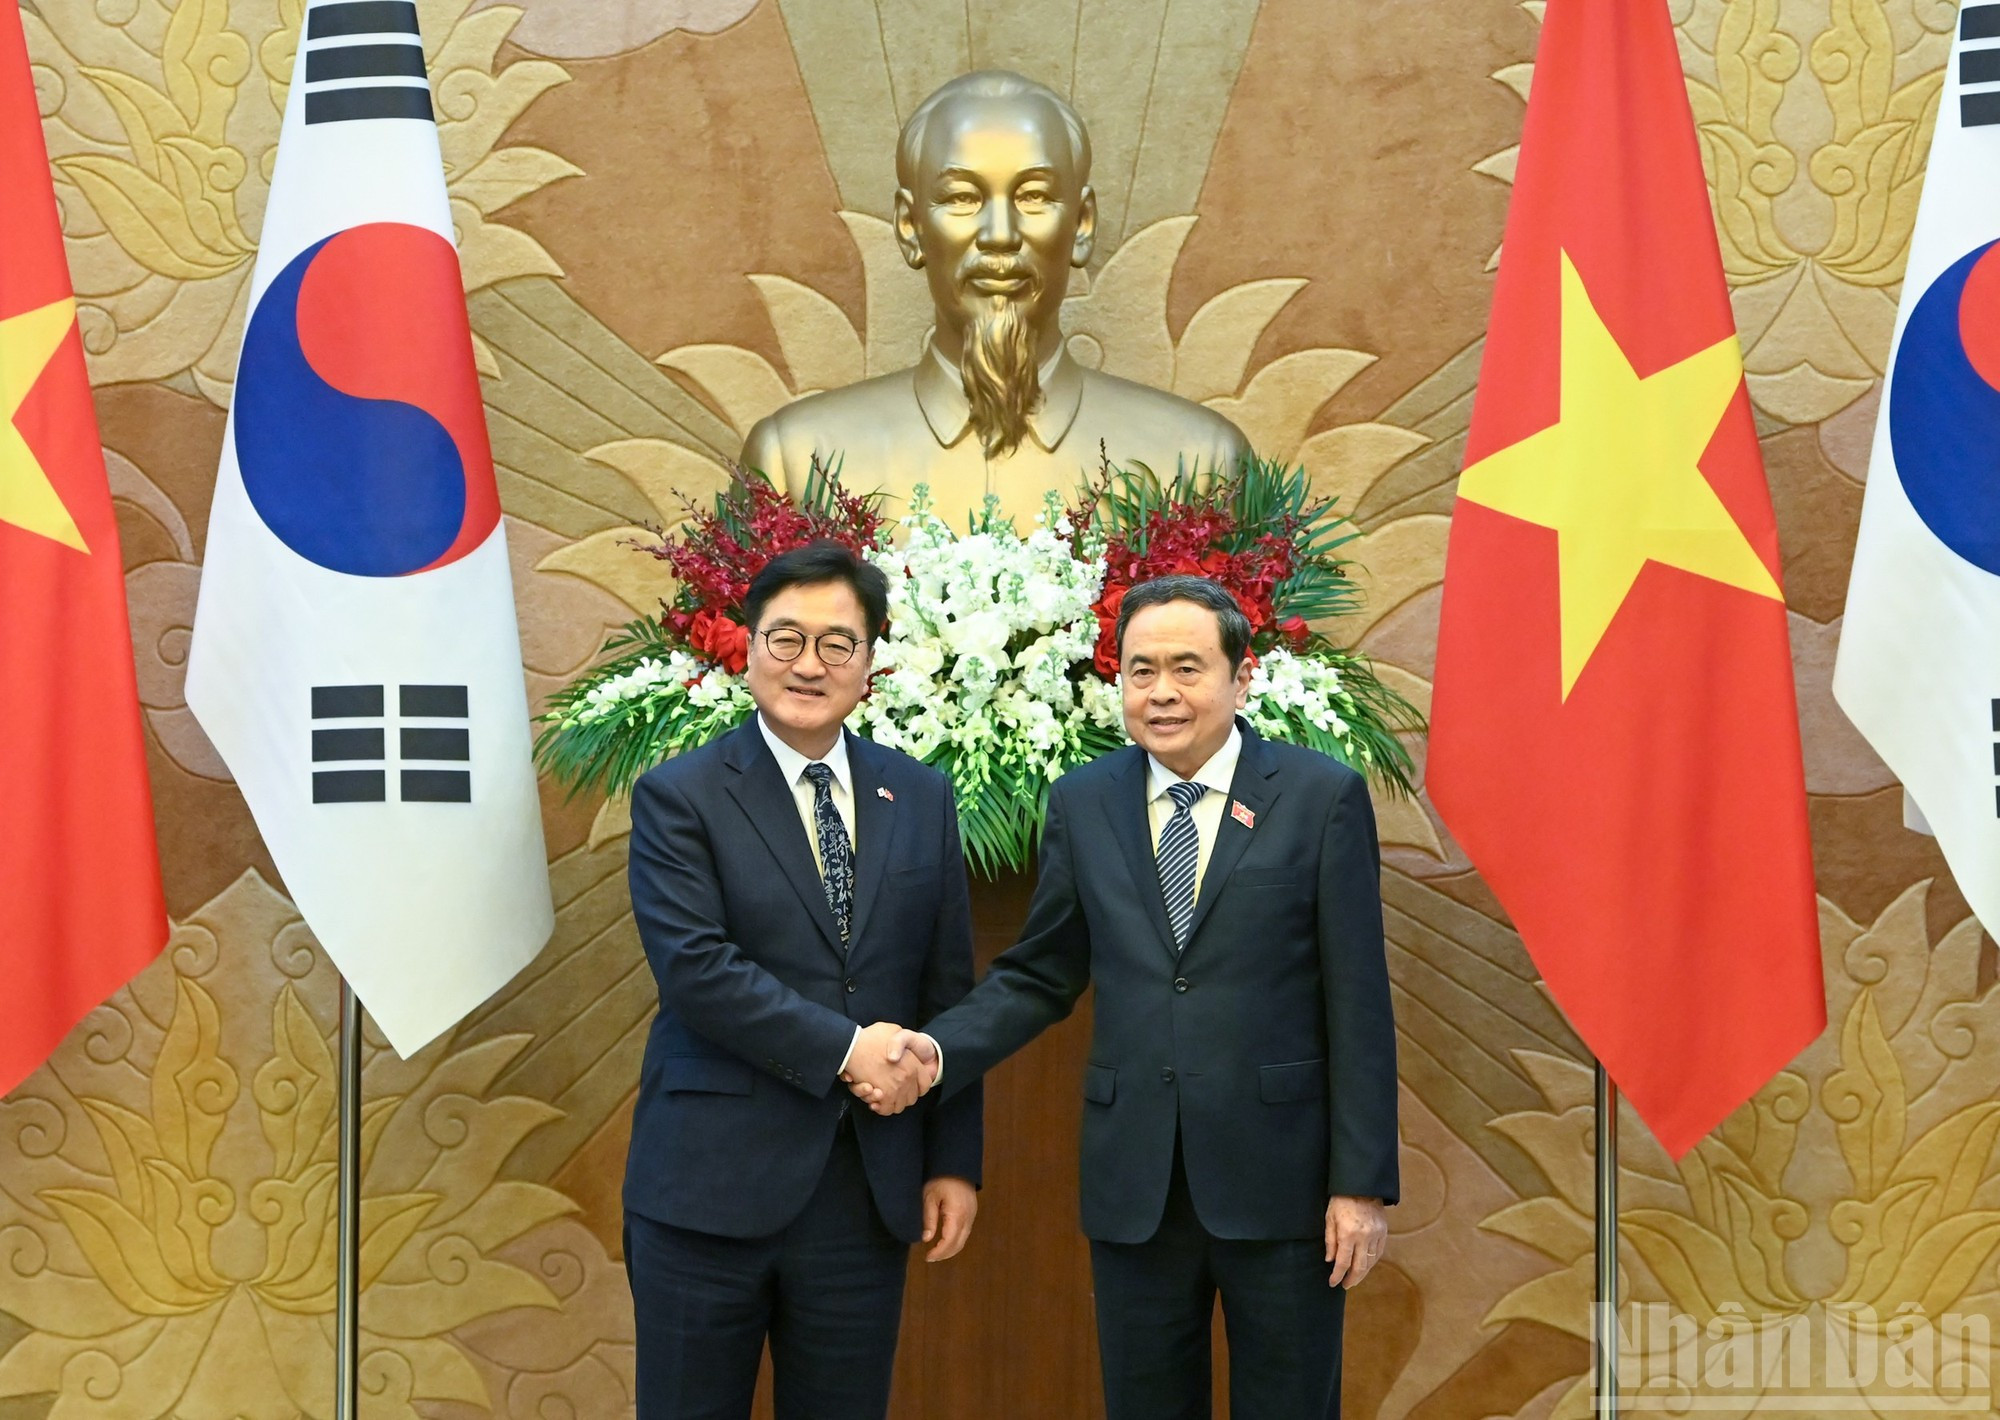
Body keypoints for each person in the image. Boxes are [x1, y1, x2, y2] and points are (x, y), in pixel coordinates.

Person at [860, 574, 1398, 1420]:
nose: (1162, 692)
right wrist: (937, 1052)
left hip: (1284, 1178)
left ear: (1241, 677)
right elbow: (1042, 971)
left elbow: (1359, 1001)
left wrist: (1360, 1185)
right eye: (1140, 671)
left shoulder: (1319, 796)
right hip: (1135, 1179)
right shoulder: (1087, 800)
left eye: (1187, 668)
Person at [622, 541, 982, 1420]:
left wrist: (954, 1161)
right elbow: (698, 972)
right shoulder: (682, 795)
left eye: (837, 644)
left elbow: (948, 988)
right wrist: (849, 1047)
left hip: (863, 1190)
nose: (809, 665)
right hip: (706, 1190)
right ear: (746, 650)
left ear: (869, 665)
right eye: (786, 639)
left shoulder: (921, 795)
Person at [741, 70, 1248, 528]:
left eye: (1033, 196)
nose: (1000, 235)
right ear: (910, 227)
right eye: (962, 198)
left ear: (1083, 224)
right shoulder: (796, 464)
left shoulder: (1202, 466)